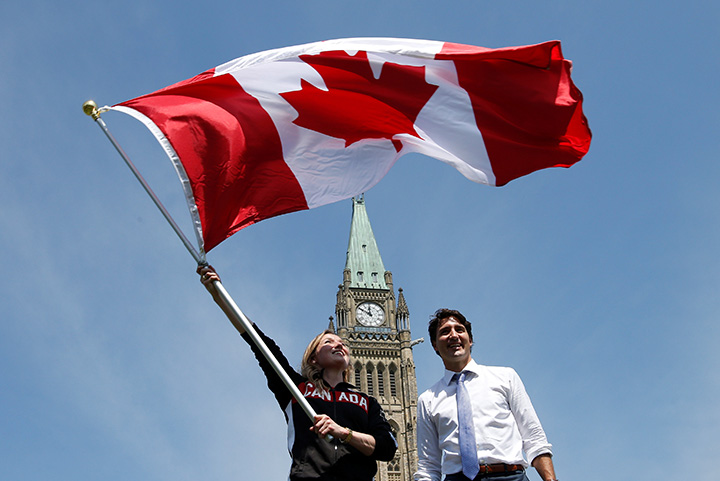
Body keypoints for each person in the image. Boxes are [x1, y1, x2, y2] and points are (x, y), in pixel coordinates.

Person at [198, 266, 397, 481]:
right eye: (329, 342)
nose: (339, 345)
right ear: (313, 358)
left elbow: (387, 447)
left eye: (342, 343)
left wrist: (343, 433)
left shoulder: (366, 402)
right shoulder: (296, 389)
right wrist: (219, 295)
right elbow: (260, 343)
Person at [414, 308, 557, 481]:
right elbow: (428, 465)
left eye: (459, 329)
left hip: (510, 475)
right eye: (445, 332)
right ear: (435, 345)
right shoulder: (428, 399)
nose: (453, 335)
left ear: (470, 339)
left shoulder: (505, 377)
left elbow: (534, 438)